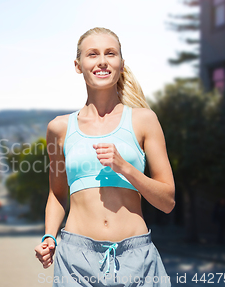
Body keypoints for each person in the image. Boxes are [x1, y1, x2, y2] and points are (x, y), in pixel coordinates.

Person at [34, 27, 175, 287]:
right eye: (92, 54)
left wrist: (126, 168)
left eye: (110, 54)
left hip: (138, 259)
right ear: (78, 65)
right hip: (76, 262)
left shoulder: (144, 121)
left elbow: (167, 201)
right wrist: (49, 237)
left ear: (121, 64)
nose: (102, 61)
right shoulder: (59, 128)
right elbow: (57, 194)